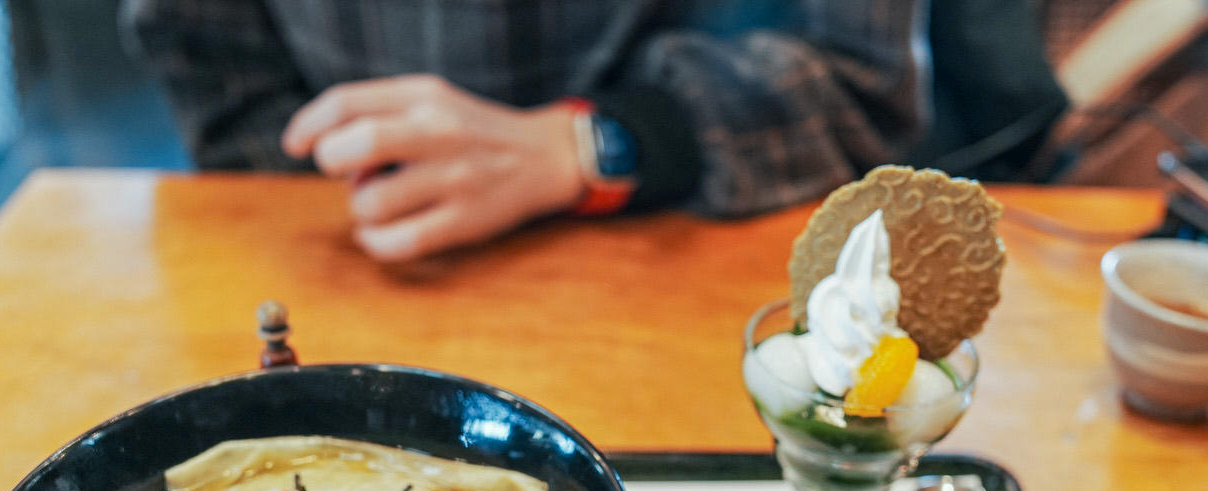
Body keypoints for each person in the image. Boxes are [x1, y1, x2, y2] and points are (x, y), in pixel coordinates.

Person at [123, 0, 928, 261]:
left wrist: (581, 149)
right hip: (344, 249)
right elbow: (198, 48)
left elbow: (864, 80)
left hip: (676, 240)